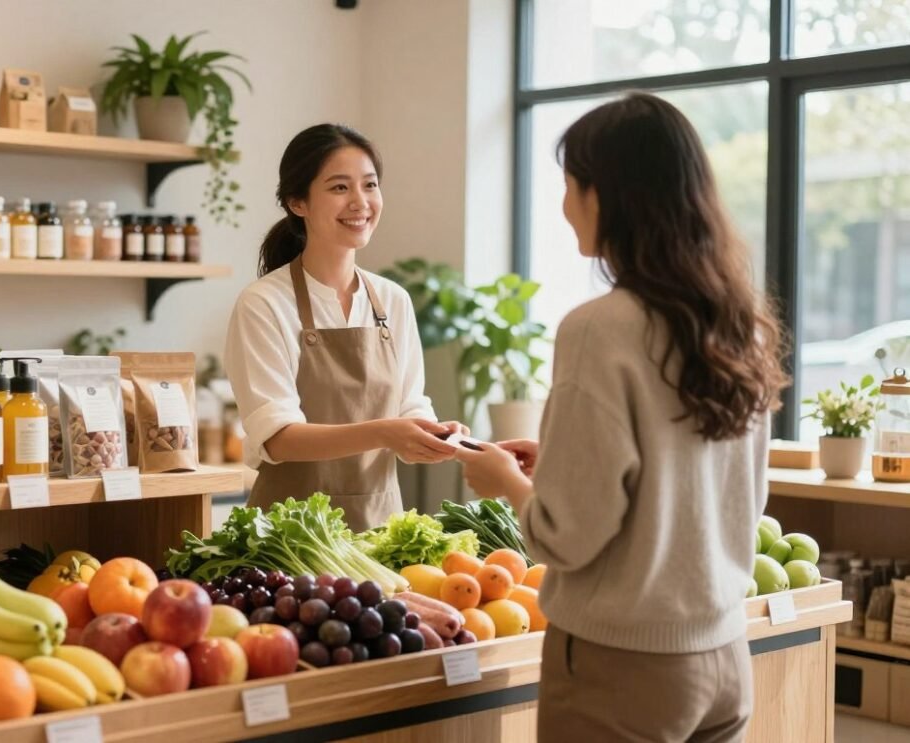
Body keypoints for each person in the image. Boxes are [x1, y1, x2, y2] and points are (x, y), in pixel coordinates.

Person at [455, 93, 788, 742]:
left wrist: (508, 482)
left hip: (621, 667)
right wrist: (554, 465)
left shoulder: (599, 328)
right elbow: (704, 484)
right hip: (723, 655)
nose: (563, 203)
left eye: (570, 183)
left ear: (606, 195)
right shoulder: (739, 324)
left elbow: (566, 536)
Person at [224, 123, 466, 531]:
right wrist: (388, 433)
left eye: (370, 185)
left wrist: (438, 435)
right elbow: (279, 439)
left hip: (380, 530)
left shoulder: (392, 300)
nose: (360, 202)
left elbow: (410, 406)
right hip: (291, 536)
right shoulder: (264, 303)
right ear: (297, 202)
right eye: (340, 188)